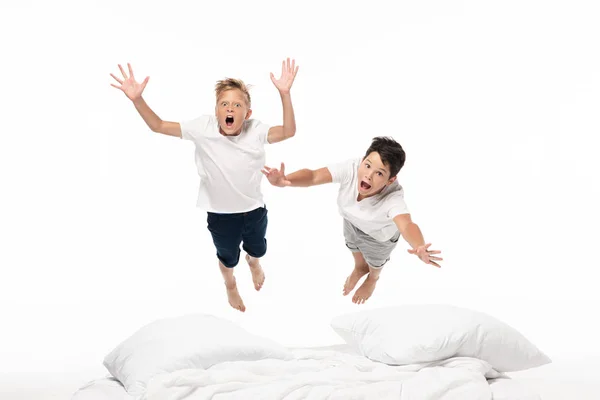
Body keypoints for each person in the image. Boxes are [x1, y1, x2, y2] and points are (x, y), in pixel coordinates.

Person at [110, 59, 300, 312]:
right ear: (216, 111)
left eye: (237, 105)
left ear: (247, 114)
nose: (230, 109)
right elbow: (158, 126)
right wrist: (137, 99)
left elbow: (288, 131)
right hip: (221, 216)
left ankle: (253, 263)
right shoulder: (203, 127)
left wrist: (285, 94)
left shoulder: (256, 130)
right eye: (224, 104)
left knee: (258, 250)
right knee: (227, 259)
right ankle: (230, 284)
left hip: (253, 209)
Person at [262, 136, 442, 304]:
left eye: (379, 173)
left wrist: (418, 245)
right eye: (368, 165)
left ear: (390, 180)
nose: (368, 175)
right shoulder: (352, 168)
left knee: (375, 261)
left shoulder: (393, 198)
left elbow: (406, 224)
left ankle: (372, 278)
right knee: (352, 245)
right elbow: (314, 176)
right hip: (351, 221)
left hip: (379, 237)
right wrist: (286, 180)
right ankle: (359, 268)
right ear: (363, 160)